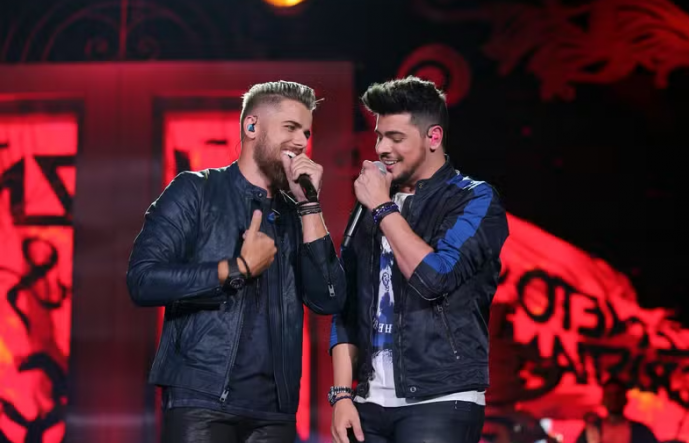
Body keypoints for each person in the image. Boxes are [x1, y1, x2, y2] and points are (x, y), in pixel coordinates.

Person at [126, 81, 346, 443]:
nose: (300, 142)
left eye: (306, 133)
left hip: (274, 413)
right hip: (201, 401)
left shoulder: (297, 215)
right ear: (251, 126)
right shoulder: (195, 191)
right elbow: (143, 279)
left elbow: (329, 299)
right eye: (291, 128)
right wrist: (235, 269)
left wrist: (309, 205)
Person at [329, 76, 509, 443]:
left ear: (433, 137)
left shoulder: (474, 199)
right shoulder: (372, 204)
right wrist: (342, 394)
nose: (382, 148)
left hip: (441, 399)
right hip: (367, 401)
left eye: (396, 138)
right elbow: (347, 305)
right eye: (380, 136)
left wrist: (382, 207)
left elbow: (434, 278)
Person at [576, 378, 659, 443]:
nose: (614, 398)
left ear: (625, 399)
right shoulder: (591, 431)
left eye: (618, 394)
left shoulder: (641, 432)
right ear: (603, 400)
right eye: (609, 395)